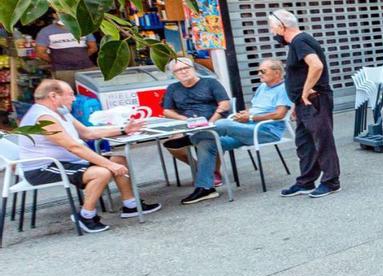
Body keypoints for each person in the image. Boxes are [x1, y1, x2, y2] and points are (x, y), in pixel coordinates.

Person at [17, 79, 158, 233]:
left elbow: (87, 133)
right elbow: (73, 146)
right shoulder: (43, 118)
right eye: (70, 94)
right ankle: (86, 216)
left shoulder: (61, 112)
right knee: (102, 172)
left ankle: (131, 205)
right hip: (44, 169)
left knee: (119, 159)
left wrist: (124, 129)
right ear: (53, 96)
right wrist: (109, 165)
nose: (74, 98)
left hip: (68, 162)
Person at [271, 10, 342, 197]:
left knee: (322, 140)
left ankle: (331, 181)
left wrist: (304, 92)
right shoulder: (297, 43)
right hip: (304, 103)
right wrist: (296, 102)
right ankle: (306, 181)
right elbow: (301, 73)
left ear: (281, 26)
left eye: (272, 28)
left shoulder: (300, 41)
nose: (272, 33)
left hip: (314, 100)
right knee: (304, 143)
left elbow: (316, 65)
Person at [161, 57, 232, 205]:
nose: (184, 71)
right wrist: (183, 119)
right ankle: (205, 169)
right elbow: (167, 111)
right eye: (179, 70)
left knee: (208, 139)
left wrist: (211, 121)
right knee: (172, 145)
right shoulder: (173, 88)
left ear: (194, 68)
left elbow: (225, 104)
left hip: (212, 121)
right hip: (187, 124)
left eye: (186, 67)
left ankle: (209, 173)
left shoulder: (210, 82)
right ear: (174, 74)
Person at [213, 59, 292, 155]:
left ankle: (194, 136)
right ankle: (208, 168)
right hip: (249, 129)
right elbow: (256, 108)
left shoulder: (284, 88)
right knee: (210, 144)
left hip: (267, 131)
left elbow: (279, 114)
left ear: (276, 73)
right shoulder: (262, 86)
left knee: (222, 124)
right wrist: (246, 113)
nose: (259, 74)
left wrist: (251, 117)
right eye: (258, 71)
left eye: (263, 71)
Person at [34, 17, 96, 85]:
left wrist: (81, 57)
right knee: (67, 93)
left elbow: (93, 48)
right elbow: (40, 53)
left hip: (86, 68)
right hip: (63, 71)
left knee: (92, 91)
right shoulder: (46, 31)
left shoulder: (84, 29)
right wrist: (56, 60)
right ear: (54, 15)